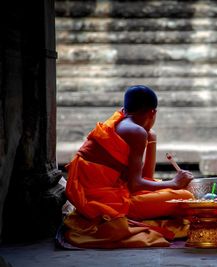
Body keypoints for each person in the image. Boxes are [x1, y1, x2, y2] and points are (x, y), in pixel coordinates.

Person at [62, 85, 194, 248]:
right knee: (186, 197)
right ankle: (142, 217)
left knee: (164, 188)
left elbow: (145, 178)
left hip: (108, 194)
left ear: (125, 109)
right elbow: (136, 184)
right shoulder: (136, 132)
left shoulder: (122, 123)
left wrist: (151, 139)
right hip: (108, 204)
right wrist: (173, 183)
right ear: (153, 112)